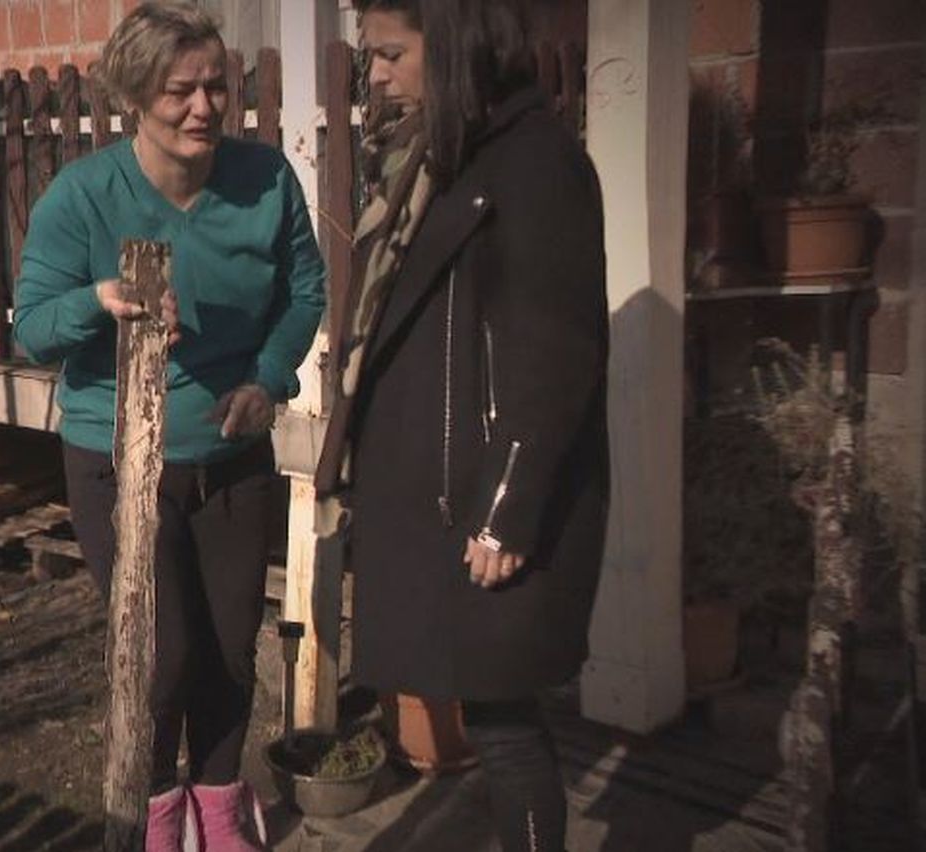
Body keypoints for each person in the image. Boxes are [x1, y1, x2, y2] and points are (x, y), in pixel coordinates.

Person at [12, 2, 326, 849]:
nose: (203, 107)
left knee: (228, 649)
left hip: (232, 457)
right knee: (163, 655)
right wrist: (98, 301)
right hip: (119, 461)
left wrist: (267, 381)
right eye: (179, 91)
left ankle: (219, 811)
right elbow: (31, 327)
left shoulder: (265, 180)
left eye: (216, 87)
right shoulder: (85, 196)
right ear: (132, 97)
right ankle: (151, 812)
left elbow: (305, 292)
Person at [315, 1, 608, 850]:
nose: (375, 75)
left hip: (483, 499)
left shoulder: (536, 162)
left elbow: (558, 349)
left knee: (507, 727)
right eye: (371, 57)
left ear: (454, 45)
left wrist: (506, 507)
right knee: (489, 717)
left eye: (391, 54)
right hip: (438, 491)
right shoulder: (440, 156)